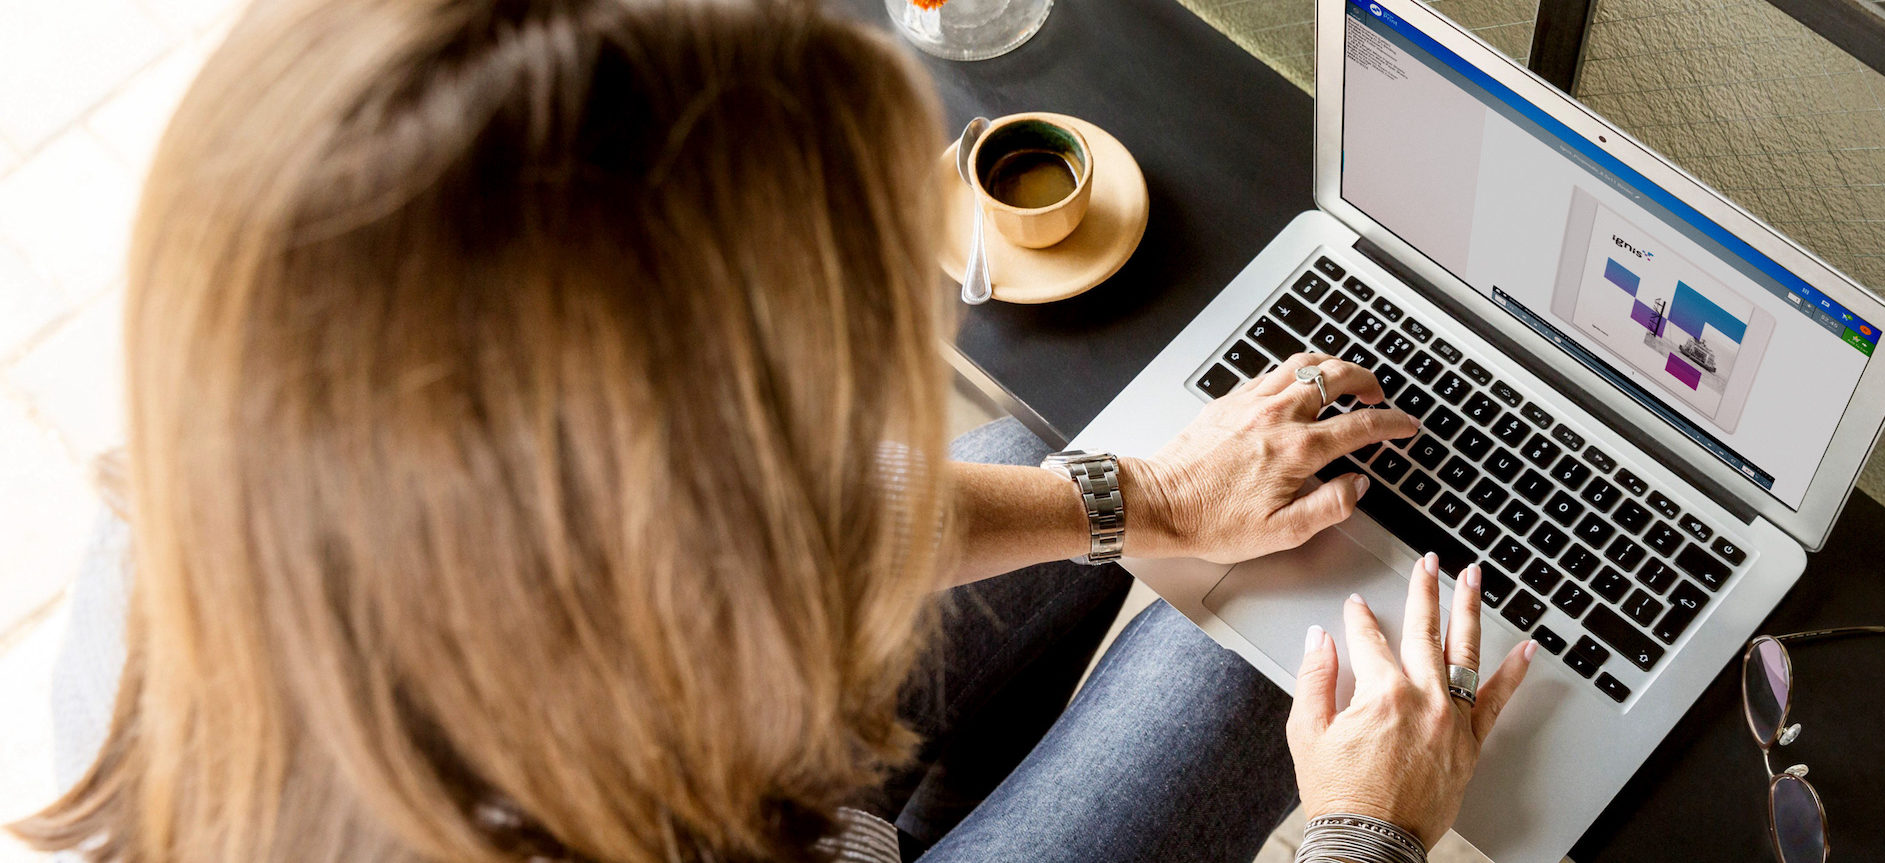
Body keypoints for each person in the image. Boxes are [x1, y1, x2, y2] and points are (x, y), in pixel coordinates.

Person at [10, 1, 1534, 861]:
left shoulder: (261, 454)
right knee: (1257, 657)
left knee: (1138, 510)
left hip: (737, 800)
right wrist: (1360, 837)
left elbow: (774, 511)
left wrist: (1144, 498)